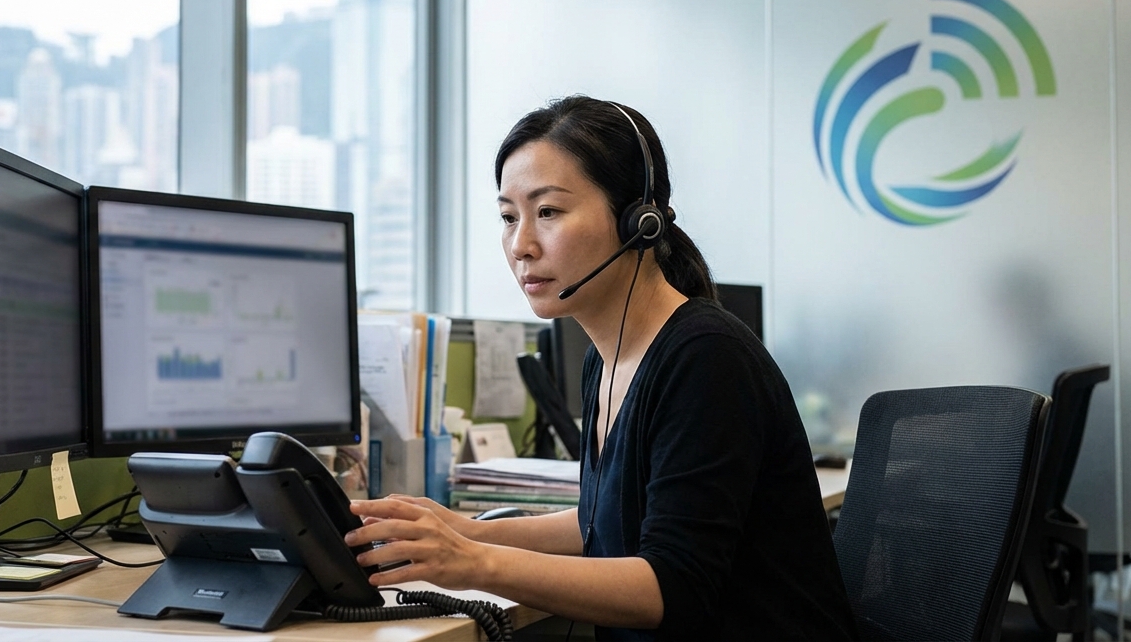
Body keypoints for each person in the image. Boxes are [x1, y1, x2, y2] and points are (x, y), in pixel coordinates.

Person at [347, 96, 857, 640]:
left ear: (639, 220)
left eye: (548, 212)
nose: (520, 245)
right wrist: (465, 531)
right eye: (507, 217)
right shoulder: (607, 357)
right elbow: (603, 520)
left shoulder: (706, 358)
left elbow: (672, 587)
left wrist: (474, 562)